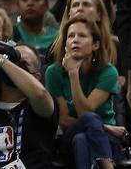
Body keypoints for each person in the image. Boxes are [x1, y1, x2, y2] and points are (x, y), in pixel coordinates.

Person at [44, 15, 124, 169]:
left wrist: (73, 74)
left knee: (82, 139)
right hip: (69, 136)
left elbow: (85, 112)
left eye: (82, 35)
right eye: (70, 36)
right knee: (86, 126)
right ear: (65, 44)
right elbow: (64, 120)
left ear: (95, 45)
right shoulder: (53, 72)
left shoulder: (108, 72)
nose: (75, 40)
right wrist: (105, 126)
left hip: (107, 140)